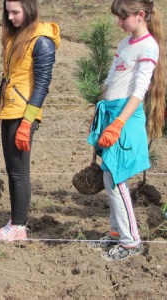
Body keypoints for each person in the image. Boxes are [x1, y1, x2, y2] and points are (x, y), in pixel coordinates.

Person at [87, 0, 165, 261]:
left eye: (123, 17)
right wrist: (99, 112)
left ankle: (131, 242)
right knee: (110, 175)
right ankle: (116, 233)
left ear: (140, 15)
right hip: (111, 114)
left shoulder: (148, 46)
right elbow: (111, 80)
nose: (119, 23)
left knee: (116, 180)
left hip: (126, 118)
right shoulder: (124, 45)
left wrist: (119, 123)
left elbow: (138, 90)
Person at [0, 0, 60, 243]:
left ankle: (18, 226)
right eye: (7, 12)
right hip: (11, 110)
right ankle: (15, 221)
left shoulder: (42, 41)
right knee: (13, 170)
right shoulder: (15, 38)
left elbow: (42, 85)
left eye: (15, 12)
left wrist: (28, 122)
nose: (10, 17)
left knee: (19, 172)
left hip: (23, 113)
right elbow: (7, 79)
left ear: (29, 10)